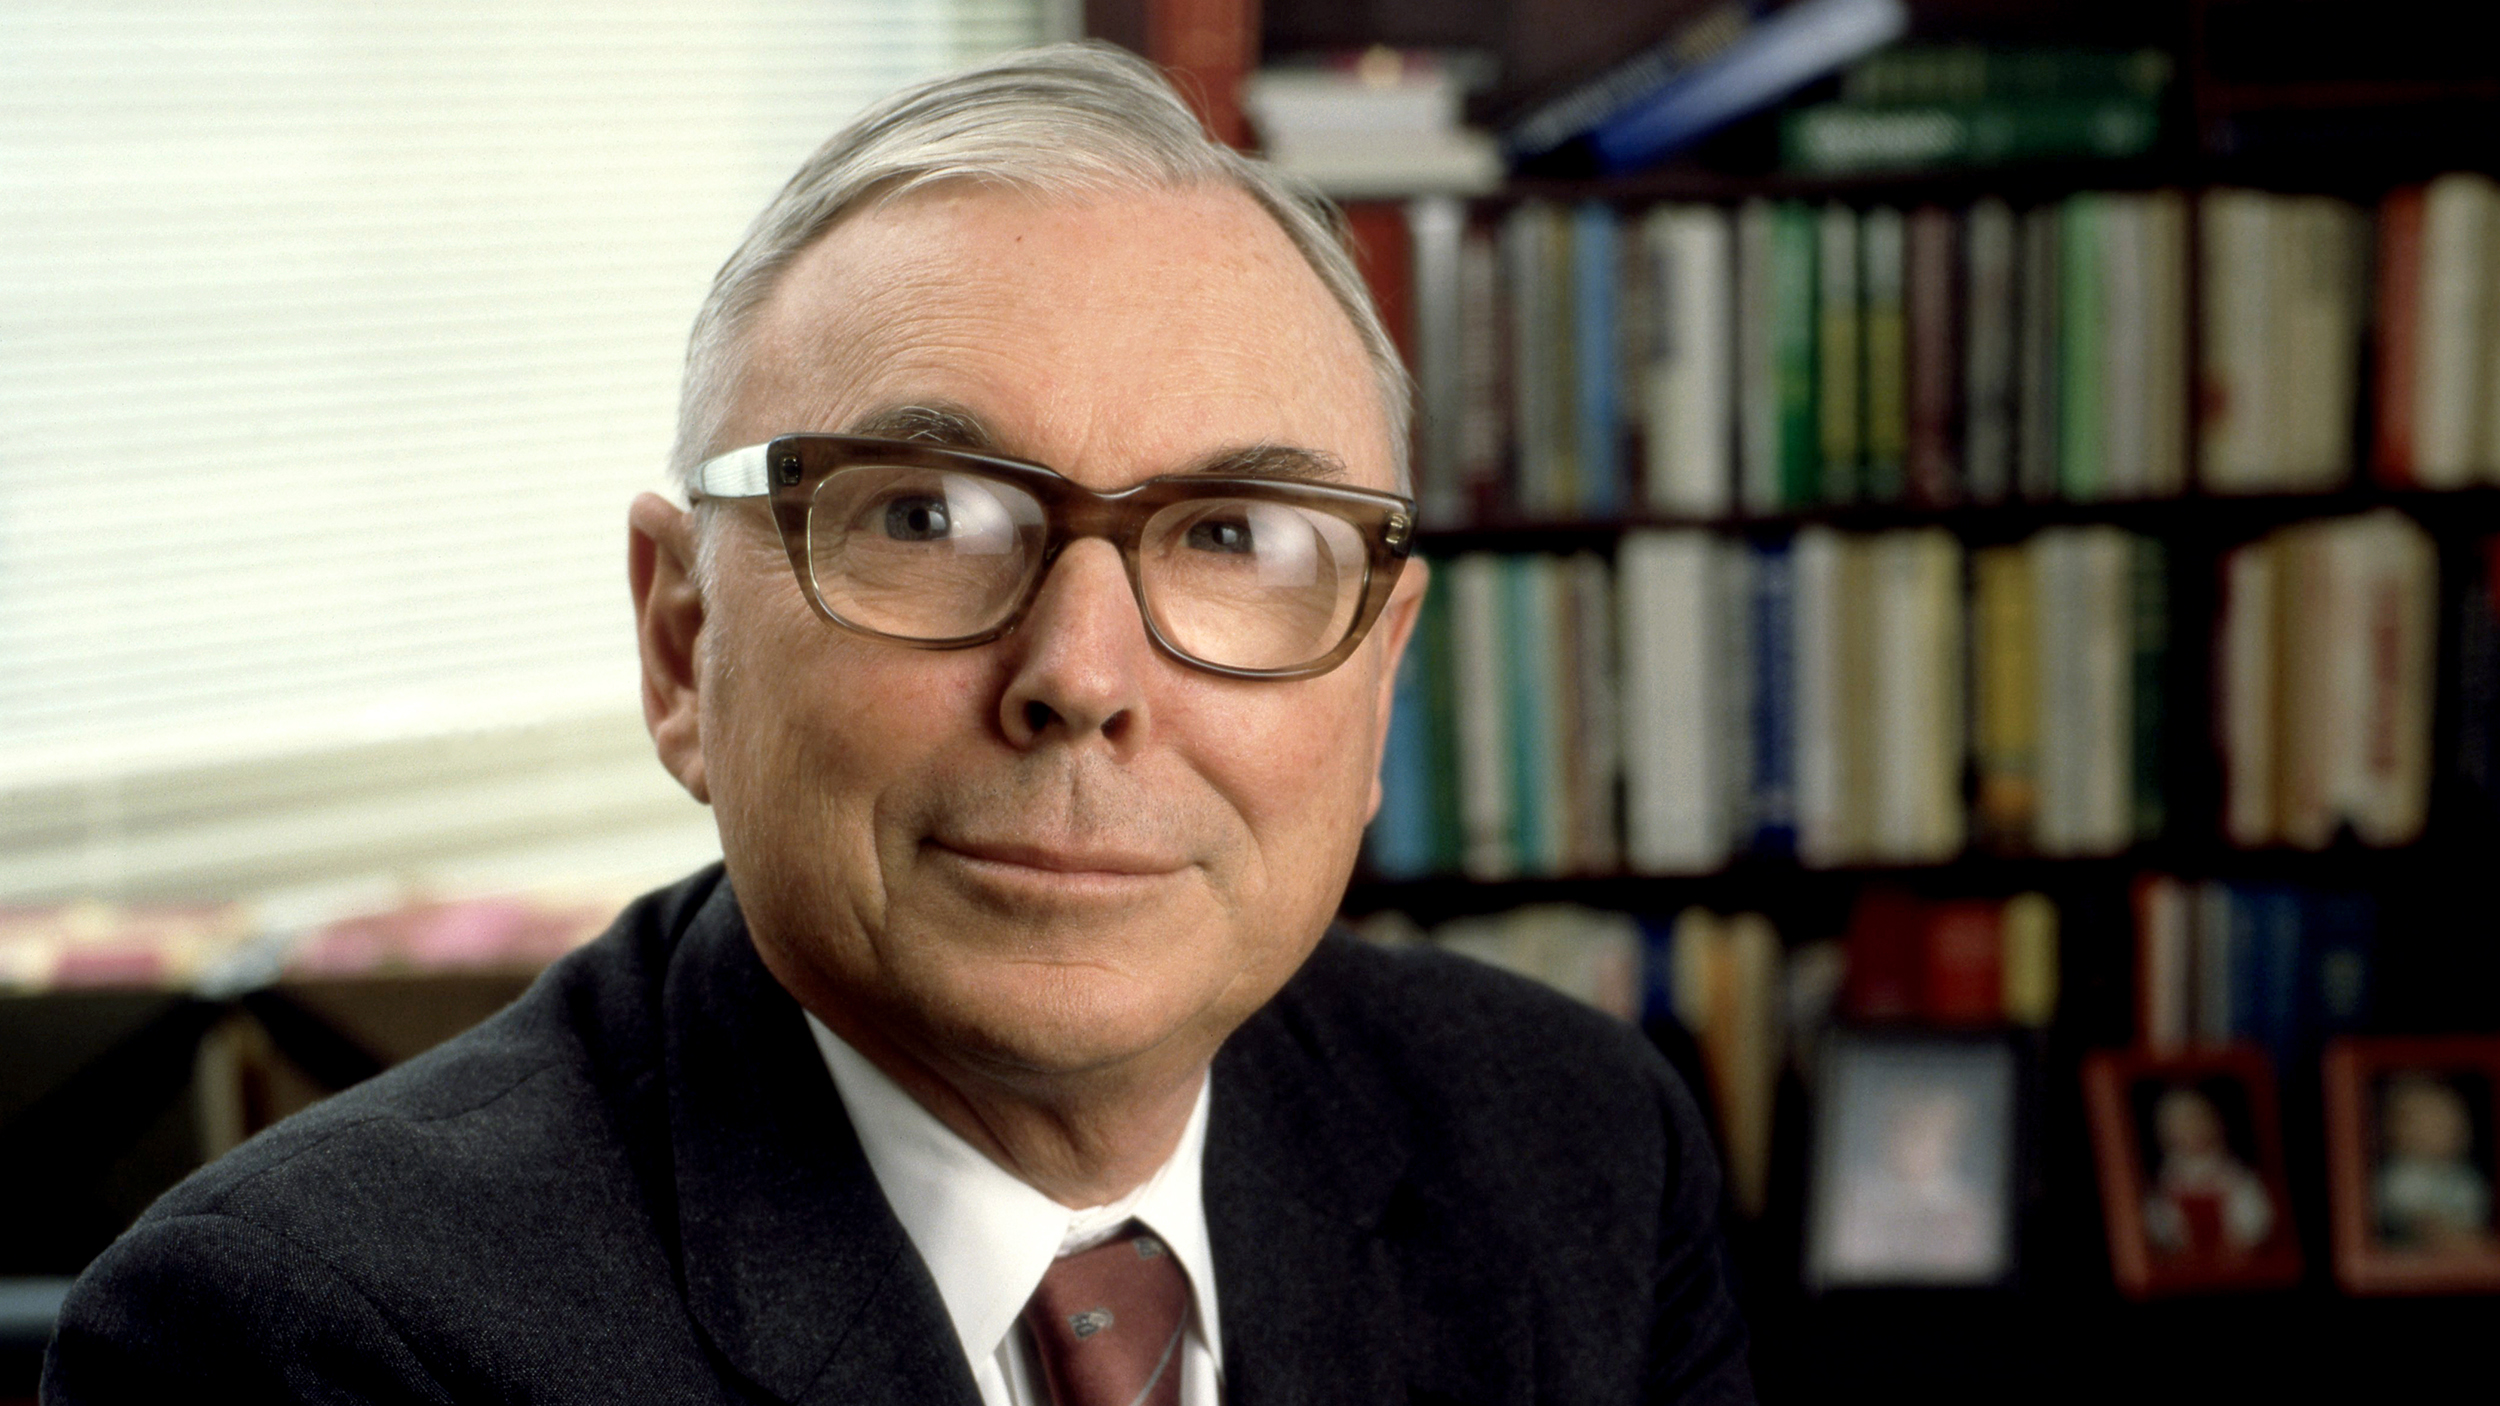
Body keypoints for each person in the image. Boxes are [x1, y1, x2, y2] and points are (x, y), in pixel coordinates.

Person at [44, 42, 1751, 1406]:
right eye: (926, 517)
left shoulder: (1576, 1151)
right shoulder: (303, 1345)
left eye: (1231, 537)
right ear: (679, 639)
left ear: (1379, 681)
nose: (1081, 676)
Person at [2142, 1085, 2274, 1260]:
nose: (2192, 1130)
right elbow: (2158, 1224)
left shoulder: (2233, 1173)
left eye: (2198, 1120)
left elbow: (2255, 1219)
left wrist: (2241, 1243)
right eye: (2182, 1125)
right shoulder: (2167, 1180)